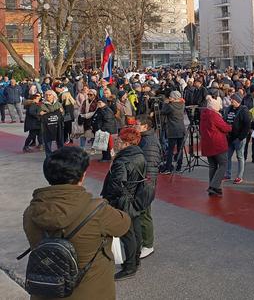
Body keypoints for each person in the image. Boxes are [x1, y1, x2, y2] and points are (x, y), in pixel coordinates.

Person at [23, 147, 131, 299]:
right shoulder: (98, 211)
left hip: (48, 290)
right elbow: (124, 224)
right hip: (92, 292)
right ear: (82, 176)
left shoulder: (31, 212)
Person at [100, 127, 147, 280]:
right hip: (135, 198)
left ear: (127, 143)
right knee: (136, 230)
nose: (117, 142)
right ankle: (135, 260)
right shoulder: (139, 154)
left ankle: (130, 266)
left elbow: (117, 184)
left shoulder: (123, 160)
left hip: (124, 201)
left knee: (127, 234)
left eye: (120, 140)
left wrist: (108, 199)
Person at [136, 114, 162, 259]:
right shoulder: (143, 139)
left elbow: (151, 165)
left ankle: (148, 245)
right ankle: (142, 241)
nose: (134, 126)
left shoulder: (149, 142)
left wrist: (146, 184)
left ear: (145, 126)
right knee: (140, 213)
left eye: (137, 124)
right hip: (141, 182)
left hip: (145, 183)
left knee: (144, 214)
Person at [199, 95, 231, 196]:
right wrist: (231, 126)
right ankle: (214, 186)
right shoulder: (214, 115)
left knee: (213, 166)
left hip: (207, 144)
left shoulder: (204, 114)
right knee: (223, 164)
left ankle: (212, 187)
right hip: (217, 144)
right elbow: (225, 128)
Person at [225, 93, 251, 184]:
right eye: (231, 99)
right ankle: (227, 174)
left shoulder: (243, 110)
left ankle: (239, 176)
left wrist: (240, 137)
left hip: (239, 138)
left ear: (238, 100)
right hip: (229, 137)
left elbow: (247, 125)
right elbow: (225, 120)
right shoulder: (228, 109)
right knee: (227, 156)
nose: (231, 101)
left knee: (240, 157)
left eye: (233, 99)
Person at [160, 90, 186, 173]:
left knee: (170, 150)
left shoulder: (170, 106)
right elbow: (181, 100)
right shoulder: (182, 104)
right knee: (180, 149)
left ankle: (168, 167)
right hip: (181, 129)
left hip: (173, 130)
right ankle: (179, 166)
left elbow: (163, 111)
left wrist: (165, 103)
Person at [40, 90, 65, 157]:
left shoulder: (58, 104)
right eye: (46, 95)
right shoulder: (42, 104)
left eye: (49, 95)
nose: (47, 96)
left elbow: (62, 114)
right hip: (47, 126)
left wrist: (61, 112)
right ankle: (48, 156)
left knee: (60, 141)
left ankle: (61, 155)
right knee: (47, 141)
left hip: (58, 125)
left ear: (53, 96)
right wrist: (41, 114)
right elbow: (40, 114)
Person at [92, 97, 117, 162]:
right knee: (103, 145)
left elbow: (108, 122)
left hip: (105, 130)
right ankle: (105, 157)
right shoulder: (100, 109)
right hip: (100, 130)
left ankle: (107, 158)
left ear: (104, 103)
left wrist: (102, 129)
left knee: (105, 145)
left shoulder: (107, 110)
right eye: (98, 102)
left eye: (100, 102)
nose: (99, 103)